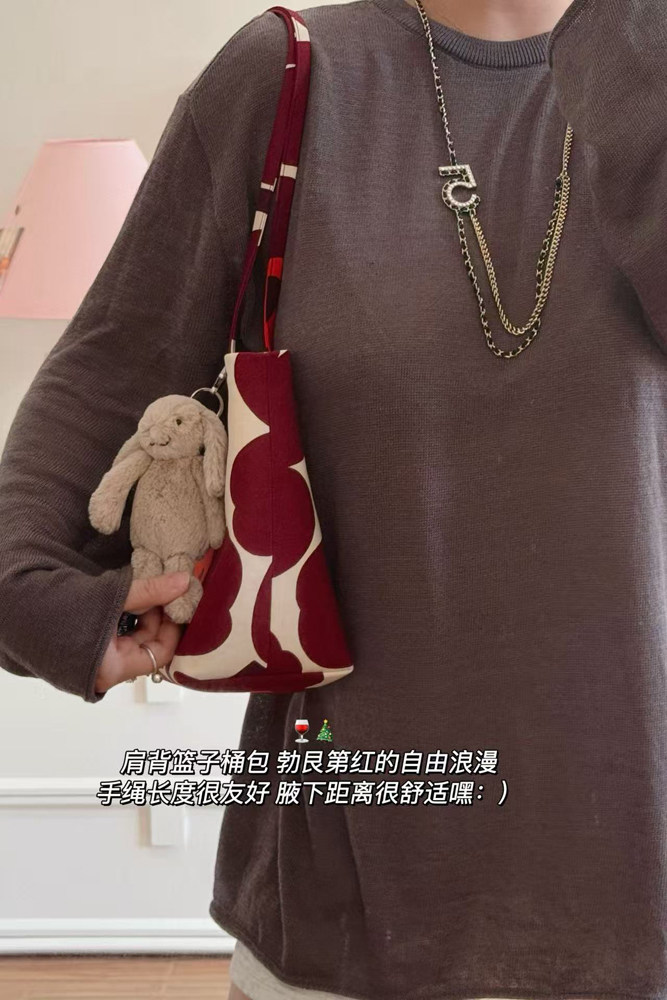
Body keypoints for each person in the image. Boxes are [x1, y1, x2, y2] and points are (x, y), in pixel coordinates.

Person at [1, 0, 666, 998]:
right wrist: (44, 606)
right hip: (345, 904)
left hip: (640, 888)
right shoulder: (287, 75)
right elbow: (103, 383)